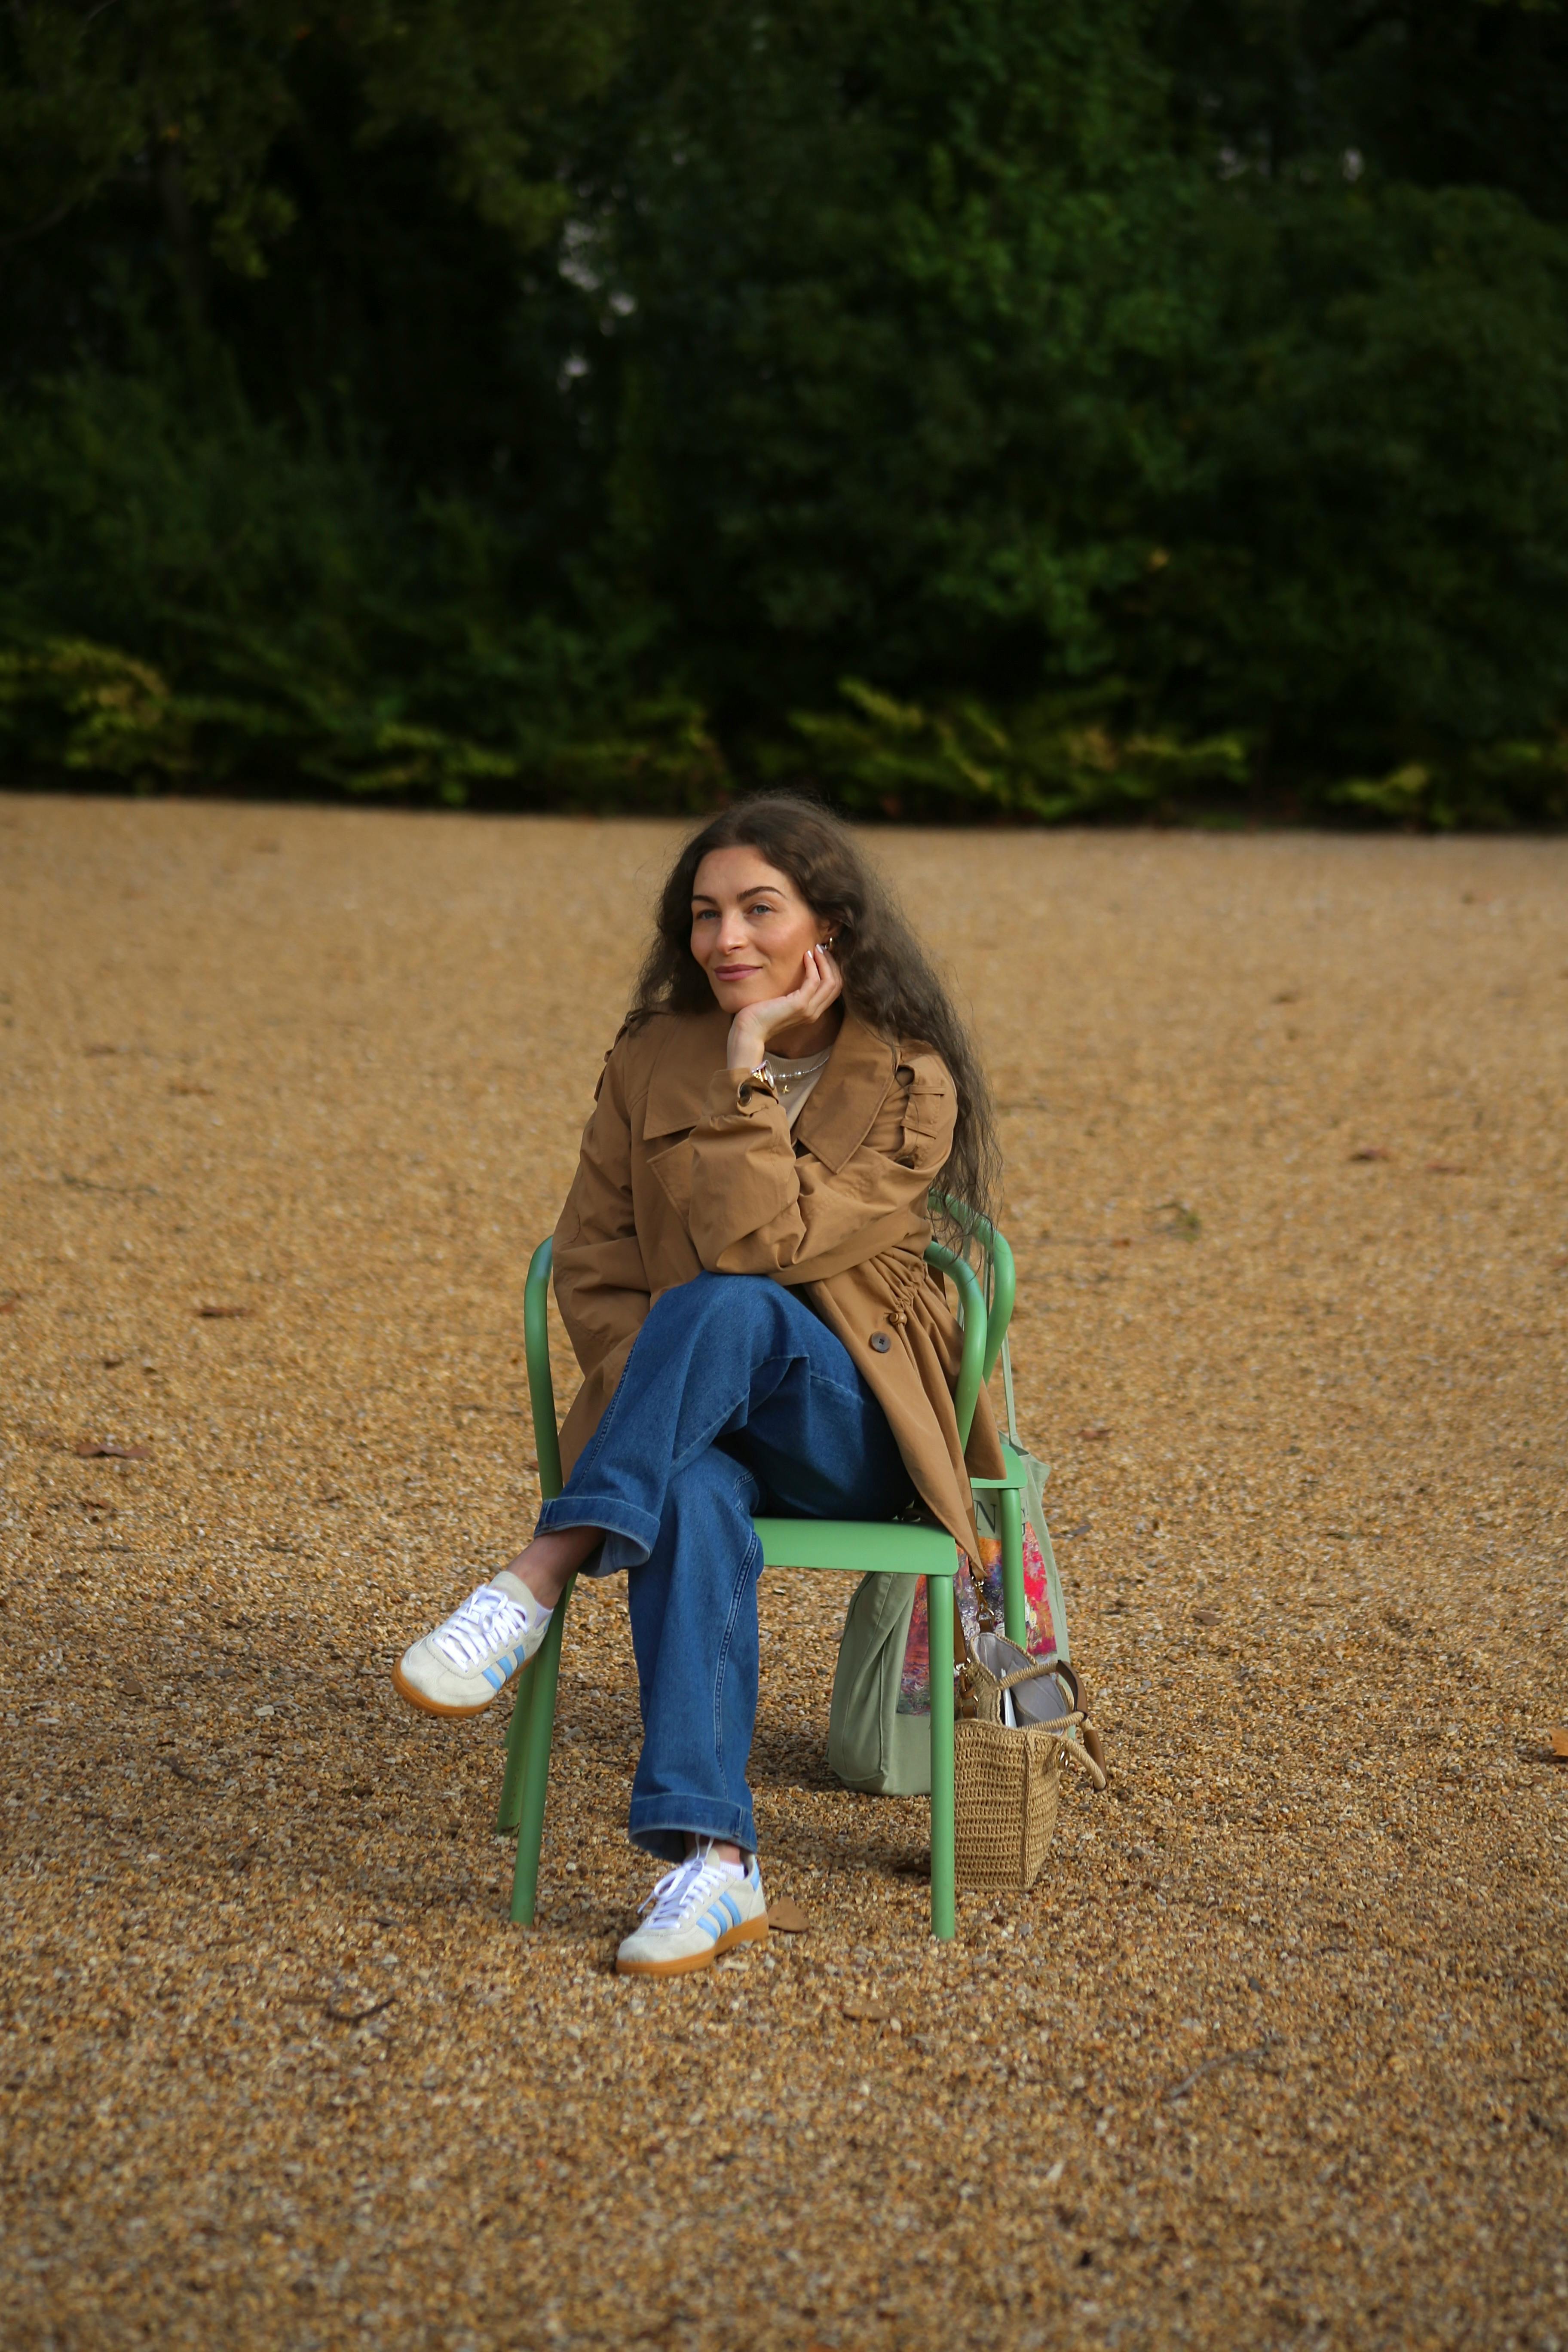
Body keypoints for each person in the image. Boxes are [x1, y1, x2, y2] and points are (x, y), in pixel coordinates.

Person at [393, 794, 1004, 1975]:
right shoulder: (644, 1056)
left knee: (727, 1303)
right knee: (689, 1491)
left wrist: (746, 1063)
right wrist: (659, 1404)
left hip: (853, 1431)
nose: (727, 940)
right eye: (705, 914)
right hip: (678, 1424)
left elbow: (758, 1248)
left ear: (829, 923)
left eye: (759, 911)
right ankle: (715, 1867)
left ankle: (540, 1573)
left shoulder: (910, 1079)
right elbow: (593, 1262)